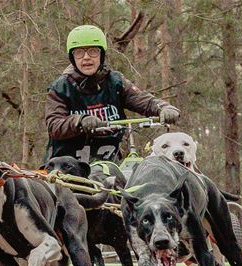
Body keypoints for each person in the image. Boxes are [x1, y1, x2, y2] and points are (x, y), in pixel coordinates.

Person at [44, 25, 180, 163]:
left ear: (101, 54)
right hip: (66, 165)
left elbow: (143, 100)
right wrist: (79, 121)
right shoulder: (60, 88)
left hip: (109, 165)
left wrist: (163, 108)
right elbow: (54, 124)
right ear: (72, 58)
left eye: (93, 51)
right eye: (79, 53)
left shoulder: (115, 82)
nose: (86, 58)